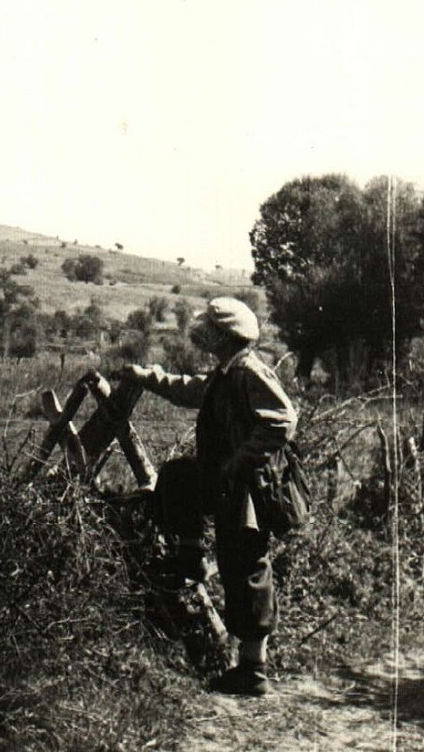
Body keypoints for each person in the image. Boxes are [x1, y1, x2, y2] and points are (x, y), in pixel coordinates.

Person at [120, 296, 297, 696]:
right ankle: (192, 554)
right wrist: (147, 376)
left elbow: (284, 419)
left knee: (246, 565)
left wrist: (239, 461)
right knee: (179, 477)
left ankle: (253, 670)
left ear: (225, 336)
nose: (204, 335)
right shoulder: (226, 372)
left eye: (211, 330)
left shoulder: (249, 371)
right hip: (225, 482)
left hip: (248, 489)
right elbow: (191, 389)